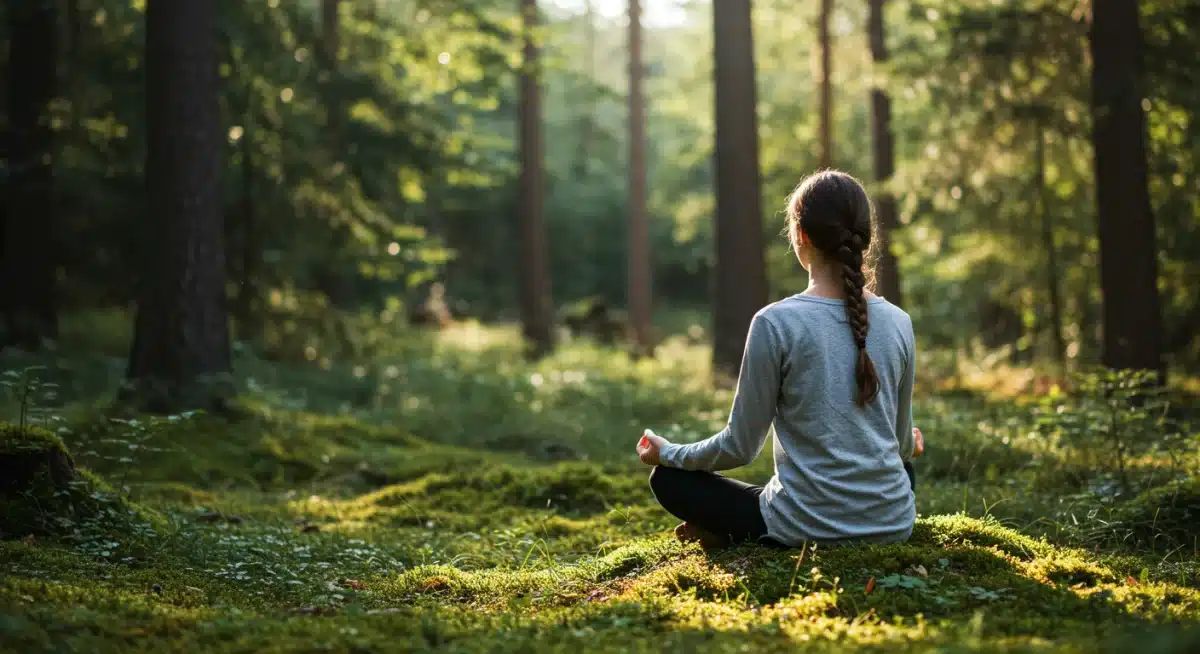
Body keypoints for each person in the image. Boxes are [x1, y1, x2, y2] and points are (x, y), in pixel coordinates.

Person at [635, 170, 923, 550]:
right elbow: (901, 447)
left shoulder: (775, 322)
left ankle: (735, 531)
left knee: (668, 479)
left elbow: (739, 448)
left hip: (804, 527)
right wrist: (907, 446)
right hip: (892, 524)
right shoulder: (900, 322)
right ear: (865, 237)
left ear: (800, 235)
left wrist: (667, 452)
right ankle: (748, 527)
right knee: (903, 472)